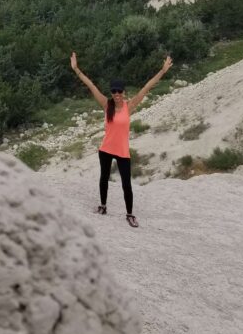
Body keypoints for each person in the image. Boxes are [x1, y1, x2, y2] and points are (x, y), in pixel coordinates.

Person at [70, 51, 173, 228]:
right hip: (106, 149)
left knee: (126, 184)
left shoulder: (130, 105)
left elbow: (147, 87)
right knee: (103, 178)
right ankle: (103, 206)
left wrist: (162, 71)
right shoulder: (106, 104)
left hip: (122, 151)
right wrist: (76, 69)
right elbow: (91, 86)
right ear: (111, 93)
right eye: (114, 91)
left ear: (124, 92)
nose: (117, 94)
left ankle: (130, 214)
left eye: (119, 91)